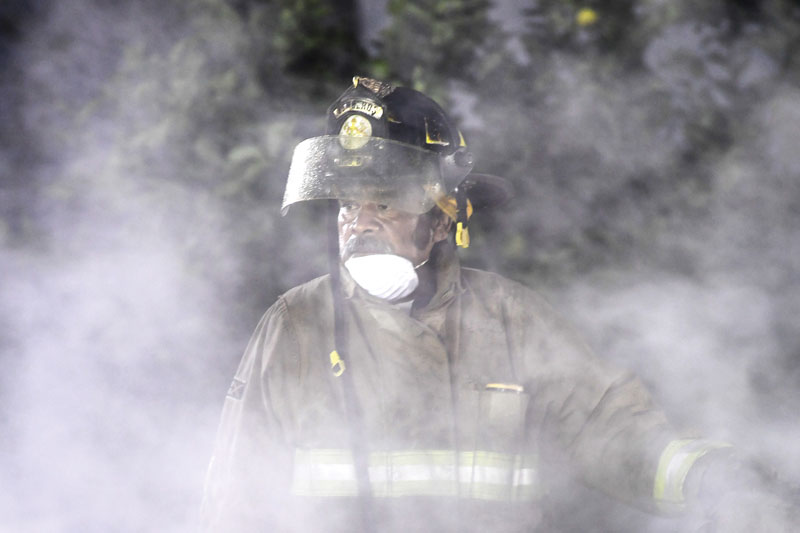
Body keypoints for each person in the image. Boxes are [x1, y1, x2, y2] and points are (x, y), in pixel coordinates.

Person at [201, 77, 796, 532]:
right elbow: (236, 496)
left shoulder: (511, 319)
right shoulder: (297, 326)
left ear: (443, 219)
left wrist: (716, 480)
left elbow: (609, 429)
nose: (360, 224)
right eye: (346, 206)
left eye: (384, 204)